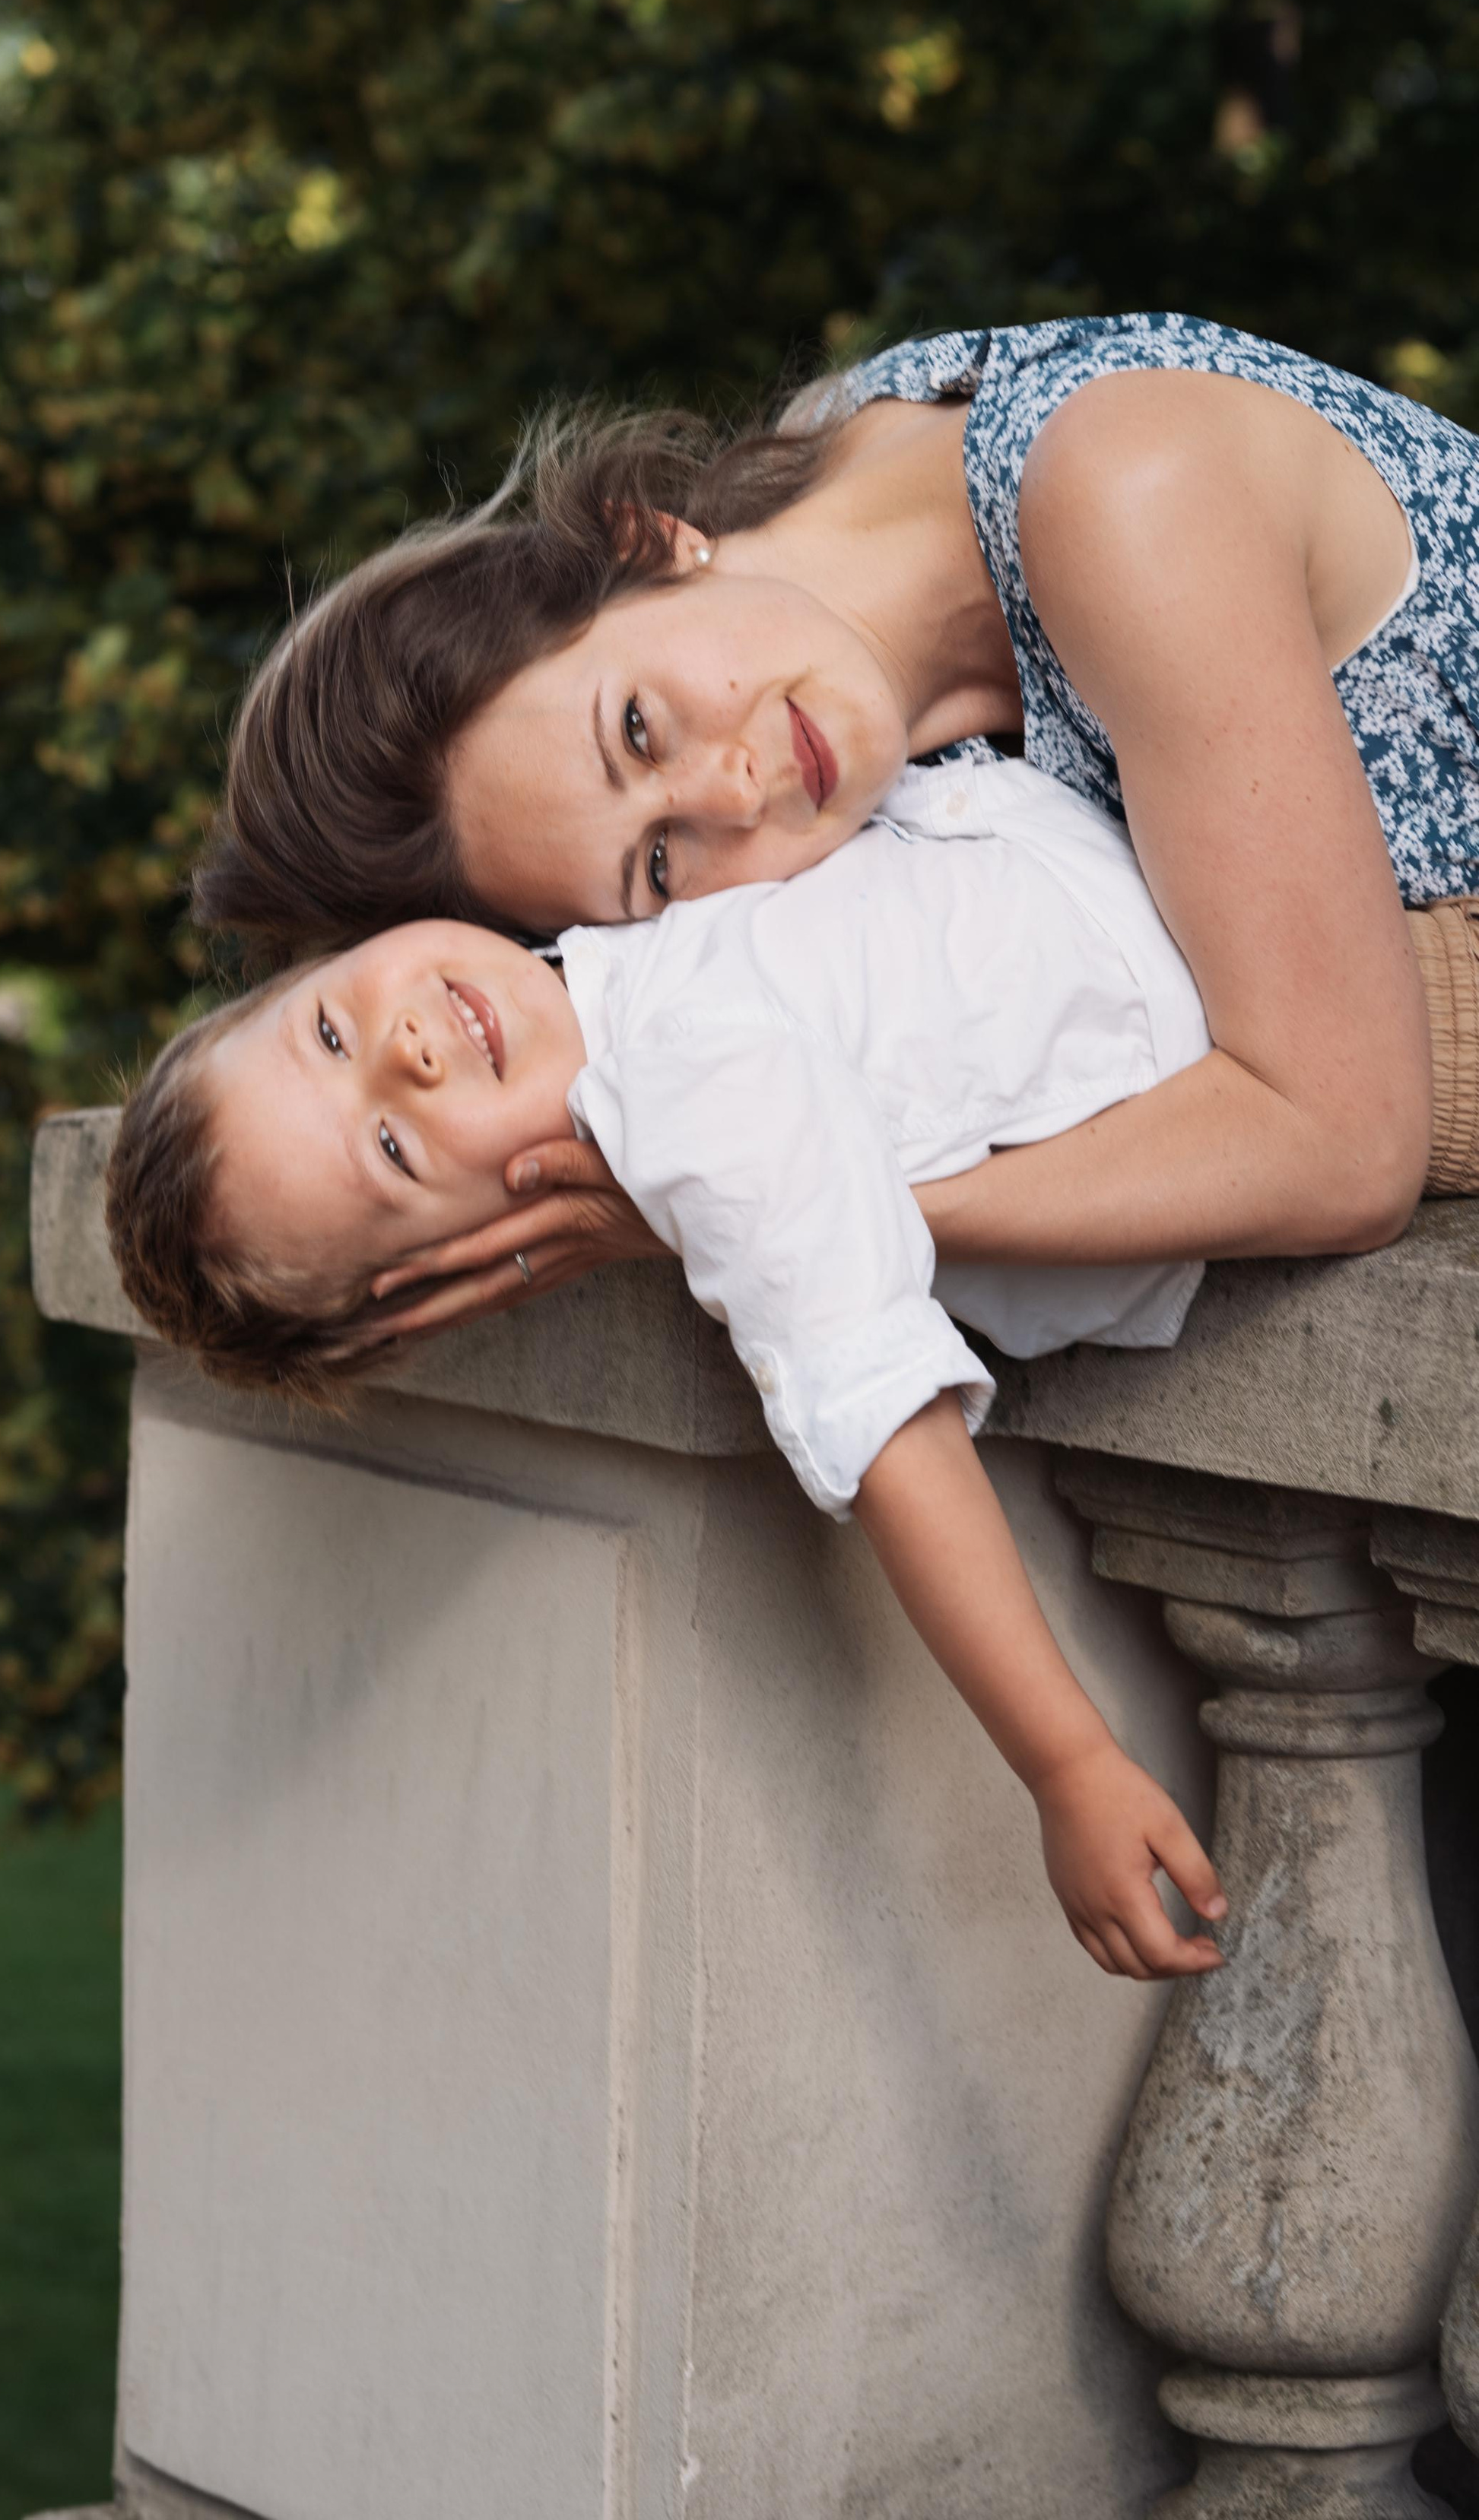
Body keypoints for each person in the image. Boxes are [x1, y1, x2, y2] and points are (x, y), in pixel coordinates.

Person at [108, 750, 1230, 1983]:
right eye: (393, 1146)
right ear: (464, 1262)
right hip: (1218, 966)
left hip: (1141, 820)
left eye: (329, 1029)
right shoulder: (688, 1103)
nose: (410, 1051)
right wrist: (1065, 1761)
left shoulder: (588, 909)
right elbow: (884, 1413)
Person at [192, 312, 1479, 1336]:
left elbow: (1344, 1149)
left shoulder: (1113, 494)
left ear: (649, 542)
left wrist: (791, 1210)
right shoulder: (830, 504)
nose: (735, 794)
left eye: (638, 728)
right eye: (655, 864)